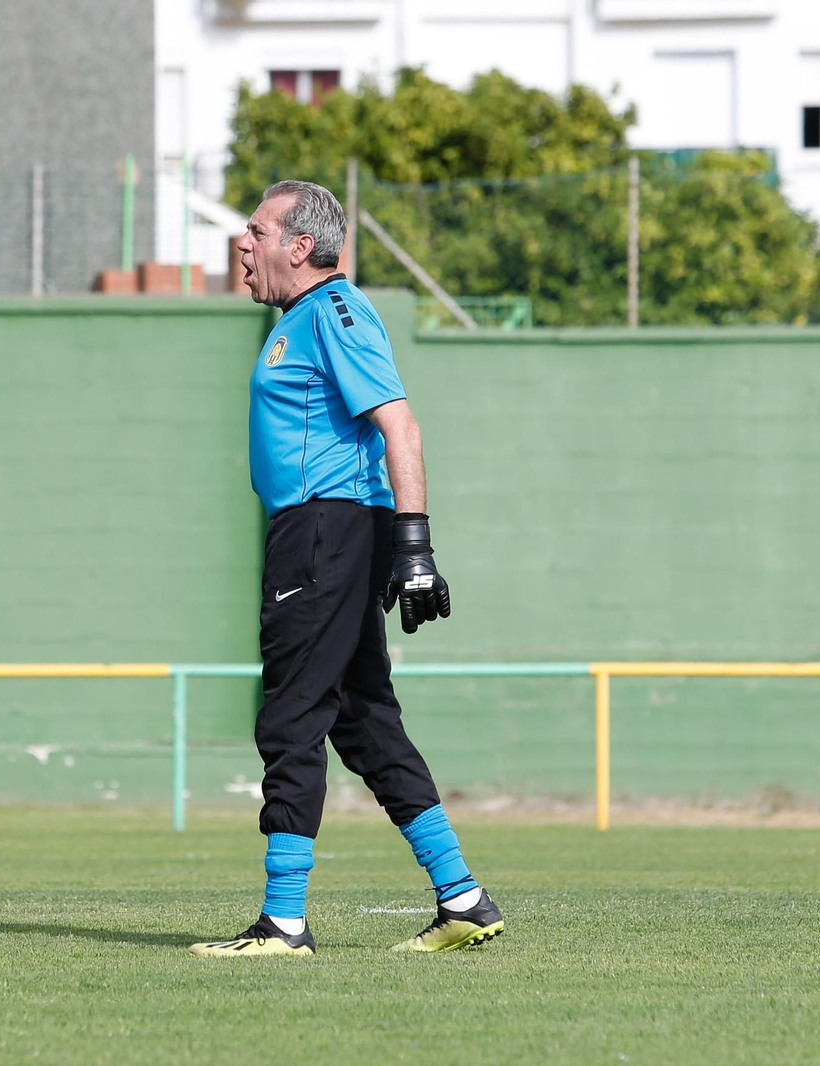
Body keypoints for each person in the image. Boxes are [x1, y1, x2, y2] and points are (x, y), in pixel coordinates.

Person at [189, 180, 505, 957]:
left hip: (322, 532)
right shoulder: (301, 318)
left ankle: (283, 922)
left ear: (300, 246)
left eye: (257, 230)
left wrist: (415, 546)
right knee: (364, 724)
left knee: (292, 715)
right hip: (330, 532)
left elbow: (401, 425)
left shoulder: (333, 311)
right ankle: (463, 898)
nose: (243, 243)